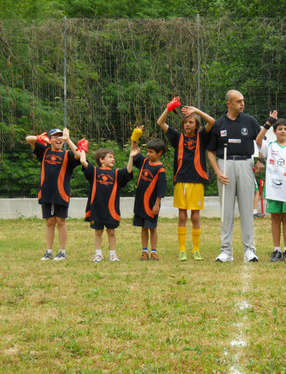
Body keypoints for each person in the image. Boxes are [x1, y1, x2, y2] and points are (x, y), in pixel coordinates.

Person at [207, 89, 263, 262]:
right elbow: (210, 151)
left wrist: (260, 160)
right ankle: (226, 251)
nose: (242, 104)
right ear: (229, 104)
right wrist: (217, 171)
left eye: (243, 100)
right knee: (226, 211)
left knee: (247, 209)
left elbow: (260, 142)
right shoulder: (219, 124)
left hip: (246, 163)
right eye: (238, 101)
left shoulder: (250, 121)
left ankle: (249, 249)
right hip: (225, 164)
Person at [157, 98, 215, 261]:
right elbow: (160, 122)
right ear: (183, 125)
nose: (188, 124)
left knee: (195, 216)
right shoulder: (177, 137)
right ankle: (182, 249)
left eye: (191, 122)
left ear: (196, 125)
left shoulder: (202, 137)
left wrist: (196, 111)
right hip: (181, 181)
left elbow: (211, 121)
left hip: (197, 181)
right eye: (186, 122)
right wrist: (168, 109)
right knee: (182, 216)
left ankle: (196, 249)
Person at [25, 128, 81, 261]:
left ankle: (62, 251)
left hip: (61, 193)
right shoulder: (44, 152)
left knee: (61, 221)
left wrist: (68, 139)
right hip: (46, 193)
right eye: (55, 136)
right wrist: (43, 139)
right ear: (50, 139)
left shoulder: (67, 154)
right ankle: (48, 251)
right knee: (50, 222)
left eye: (60, 136)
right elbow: (29, 139)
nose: (58, 139)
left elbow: (78, 155)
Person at [79, 145, 136, 262]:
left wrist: (131, 157)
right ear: (101, 160)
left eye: (113, 157)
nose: (113, 159)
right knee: (98, 231)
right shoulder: (95, 172)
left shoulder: (116, 173)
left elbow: (129, 170)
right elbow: (83, 161)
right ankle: (98, 254)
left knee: (111, 232)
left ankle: (113, 254)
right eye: (110, 157)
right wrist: (83, 148)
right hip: (96, 208)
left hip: (111, 210)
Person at [256, 117, 286, 262]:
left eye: (285, 129)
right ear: (275, 131)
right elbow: (258, 140)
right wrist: (267, 124)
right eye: (279, 129)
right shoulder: (270, 145)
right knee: (275, 219)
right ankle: (276, 250)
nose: (282, 131)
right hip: (273, 189)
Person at [130, 126, 167, 261]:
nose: (148, 154)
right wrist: (135, 137)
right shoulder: (145, 161)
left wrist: (157, 205)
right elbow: (133, 152)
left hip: (151, 205)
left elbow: (161, 190)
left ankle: (154, 252)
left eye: (151, 152)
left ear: (159, 153)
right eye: (147, 151)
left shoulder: (160, 169)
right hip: (140, 203)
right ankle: (144, 251)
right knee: (143, 228)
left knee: (152, 227)